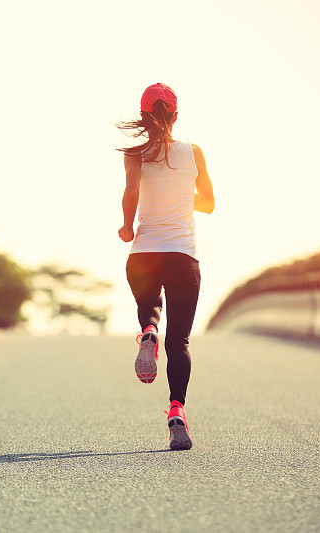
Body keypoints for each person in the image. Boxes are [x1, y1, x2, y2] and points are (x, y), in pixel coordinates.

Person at [117, 83, 214, 451]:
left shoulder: (135, 154)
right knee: (180, 342)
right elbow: (208, 204)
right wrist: (181, 195)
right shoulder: (194, 153)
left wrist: (127, 226)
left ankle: (148, 330)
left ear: (143, 117)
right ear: (175, 116)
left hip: (143, 254)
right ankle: (176, 411)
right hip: (183, 257)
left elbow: (131, 193)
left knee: (149, 308)